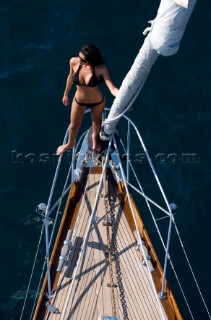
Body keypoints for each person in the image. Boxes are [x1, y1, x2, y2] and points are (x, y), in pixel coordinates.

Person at [56, 44, 119, 155]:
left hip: (97, 102)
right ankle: (70, 144)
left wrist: (123, 98)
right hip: (78, 100)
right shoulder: (73, 62)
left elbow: (112, 88)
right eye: (79, 57)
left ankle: (95, 140)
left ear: (91, 60)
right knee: (73, 126)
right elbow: (70, 77)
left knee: (96, 121)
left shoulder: (100, 69)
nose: (79, 61)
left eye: (83, 60)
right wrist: (65, 94)